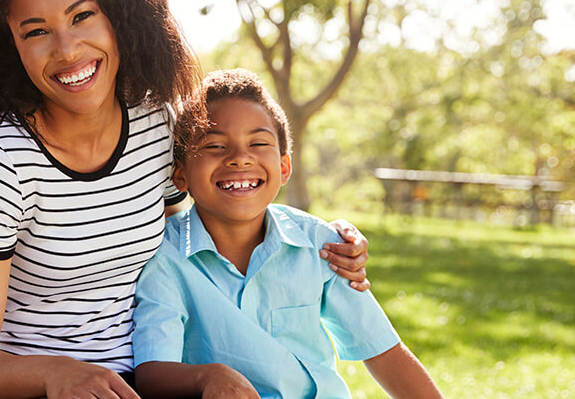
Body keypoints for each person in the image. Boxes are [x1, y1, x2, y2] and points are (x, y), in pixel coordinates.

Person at [0, 0, 371, 399]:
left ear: (122, 18)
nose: (67, 49)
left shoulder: (155, 121)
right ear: (12, 47)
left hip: (157, 377)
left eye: (83, 16)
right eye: (36, 31)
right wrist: (57, 374)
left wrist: (325, 238)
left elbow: (201, 229)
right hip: (40, 388)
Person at [131, 69, 443, 398]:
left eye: (258, 143)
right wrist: (207, 377)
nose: (239, 158)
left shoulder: (322, 246)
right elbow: (152, 373)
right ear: (180, 176)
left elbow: (384, 352)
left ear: (283, 168)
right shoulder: (164, 259)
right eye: (216, 145)